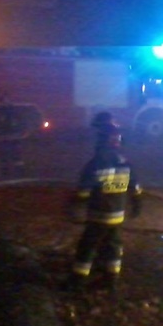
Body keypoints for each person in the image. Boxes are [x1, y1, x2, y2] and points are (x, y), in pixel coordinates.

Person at [64, 123, 142, 293]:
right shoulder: (126, 164)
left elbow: (83, 193)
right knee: (113, 246)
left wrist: (72, 206)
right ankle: (111, 280)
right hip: (117, 216)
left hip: (98, 216)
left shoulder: (95, 164)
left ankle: (77, 281)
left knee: (88, 246)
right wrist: (137, 205)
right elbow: (135, 189)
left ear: (101, 141)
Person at [0, 95, 25, 179]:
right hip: (6, 136)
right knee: (5, 156)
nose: (5, 103)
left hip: (11, 136)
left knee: (15, 155)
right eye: (3, 101)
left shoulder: (7, 111)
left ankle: (16, 172)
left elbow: (18, 122)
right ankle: (8, 172)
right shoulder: (4, 111)